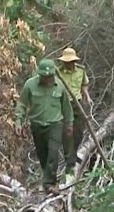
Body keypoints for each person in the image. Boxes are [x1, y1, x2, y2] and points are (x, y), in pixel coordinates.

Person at [14, 59, 73, 189]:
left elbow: (66, 107)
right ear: (39, 74)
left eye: (49, 76)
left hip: (55, 124)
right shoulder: (30, 85)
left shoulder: (60, 86)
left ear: (53, 75)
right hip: (37, 125)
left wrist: (69, 124)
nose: (47, 79)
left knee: (53, 152)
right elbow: (22, 104)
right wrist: (18, 121)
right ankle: (49, 178)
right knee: (43, 154)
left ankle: (49, 184)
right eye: (44, 76)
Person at [56, 47, 91, 169]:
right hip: (63, 104)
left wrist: (87, 96)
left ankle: (74, 153)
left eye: (71, 62)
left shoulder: (81, 71)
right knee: (67, 132)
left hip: (77, 103)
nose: (68, 64)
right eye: (66, 62)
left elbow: (84, 84)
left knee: (79, 131)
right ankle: (68, 159)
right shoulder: (58, 73)